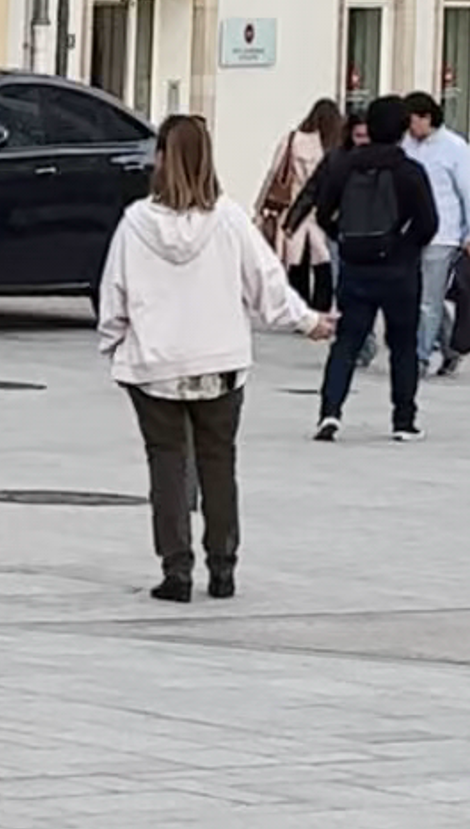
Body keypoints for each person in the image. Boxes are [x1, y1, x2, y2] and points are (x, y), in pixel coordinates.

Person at [98, 111, 315, 598]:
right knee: (219, 462)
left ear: (162, 160)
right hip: (220, 359)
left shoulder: (136, 224)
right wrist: (307, 321)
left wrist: (113, 341)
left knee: (167, 463)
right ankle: (223, 565)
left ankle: (176, 569)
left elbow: (115, 293)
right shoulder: (230, 219)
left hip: (154, 364)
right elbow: (267, 283)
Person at [311, 90, 436, 439]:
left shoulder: (343, 166)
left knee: (347, 342)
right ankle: (403, 420)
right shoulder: (409, 171)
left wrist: (345, 240)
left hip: (355, 266)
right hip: (398, 271)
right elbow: (428, 223)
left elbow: (323, 212)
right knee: (402, 344)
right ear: (401, 130)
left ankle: (330, 412)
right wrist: (403, 247)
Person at [409, 87, 470, 375]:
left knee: (428, 300)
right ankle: (450, 348)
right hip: (410, 233)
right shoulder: (407, 145)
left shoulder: (454, 148)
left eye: (413, 121)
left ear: (427, 118)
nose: (410, 128)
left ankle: (419, 356)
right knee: (421, 296)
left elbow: (469, 193)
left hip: (442, 235)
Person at [256, 94, 343, 289]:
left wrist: (261, 207)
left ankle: (300, 310)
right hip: (324, 213)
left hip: (293, 211)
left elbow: (274, 173)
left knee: (296, 265)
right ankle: (322, 310)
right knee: (324, 266)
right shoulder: (334, 147)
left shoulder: (292, 139)